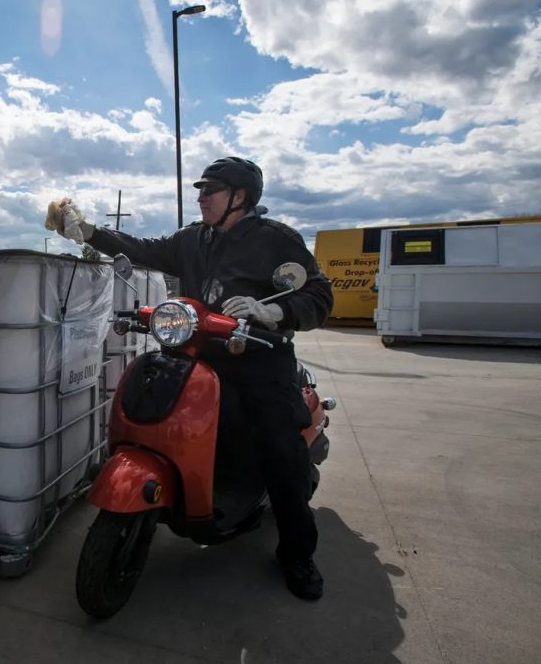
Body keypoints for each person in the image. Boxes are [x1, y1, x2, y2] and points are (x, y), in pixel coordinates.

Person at [47, 156, 333, 600]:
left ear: (240, 198)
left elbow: (319, 293)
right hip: (199, 354)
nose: (200, 197)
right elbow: (143, 248)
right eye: (200, 190)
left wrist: (273, 311)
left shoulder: (277, 240)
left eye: (210, 190)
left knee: (281, 447)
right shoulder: (190, 239)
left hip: (259, 360)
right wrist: (89, 233)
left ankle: (298, 553)